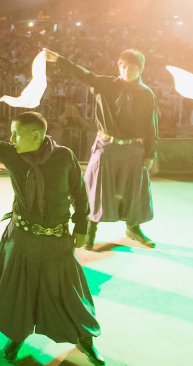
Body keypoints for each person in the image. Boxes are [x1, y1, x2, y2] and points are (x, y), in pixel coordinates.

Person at [0, 97, 104, 365]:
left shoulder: (64, 157)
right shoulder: (12, 154)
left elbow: (79, 194)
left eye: (16, 134)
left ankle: (85, 340)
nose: (11, 139)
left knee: (69, 294)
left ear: (35, 135)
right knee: (19, 294)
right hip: (22, 238)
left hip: (58, 240)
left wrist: (82, 226)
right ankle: (17, 336)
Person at [44, 48, 157, 249]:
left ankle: (133, 227)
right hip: (107, 146)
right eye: (122, 66)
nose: (126, 70)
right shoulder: (106, 84)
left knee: (133, 191)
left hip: (133, 150)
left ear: (141, 69)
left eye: (131, 67)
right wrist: (59, 59)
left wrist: (150, 153)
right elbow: (83, 74)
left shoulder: (147, 94)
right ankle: (89, 230)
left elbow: (151, 125)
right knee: (95, 189)